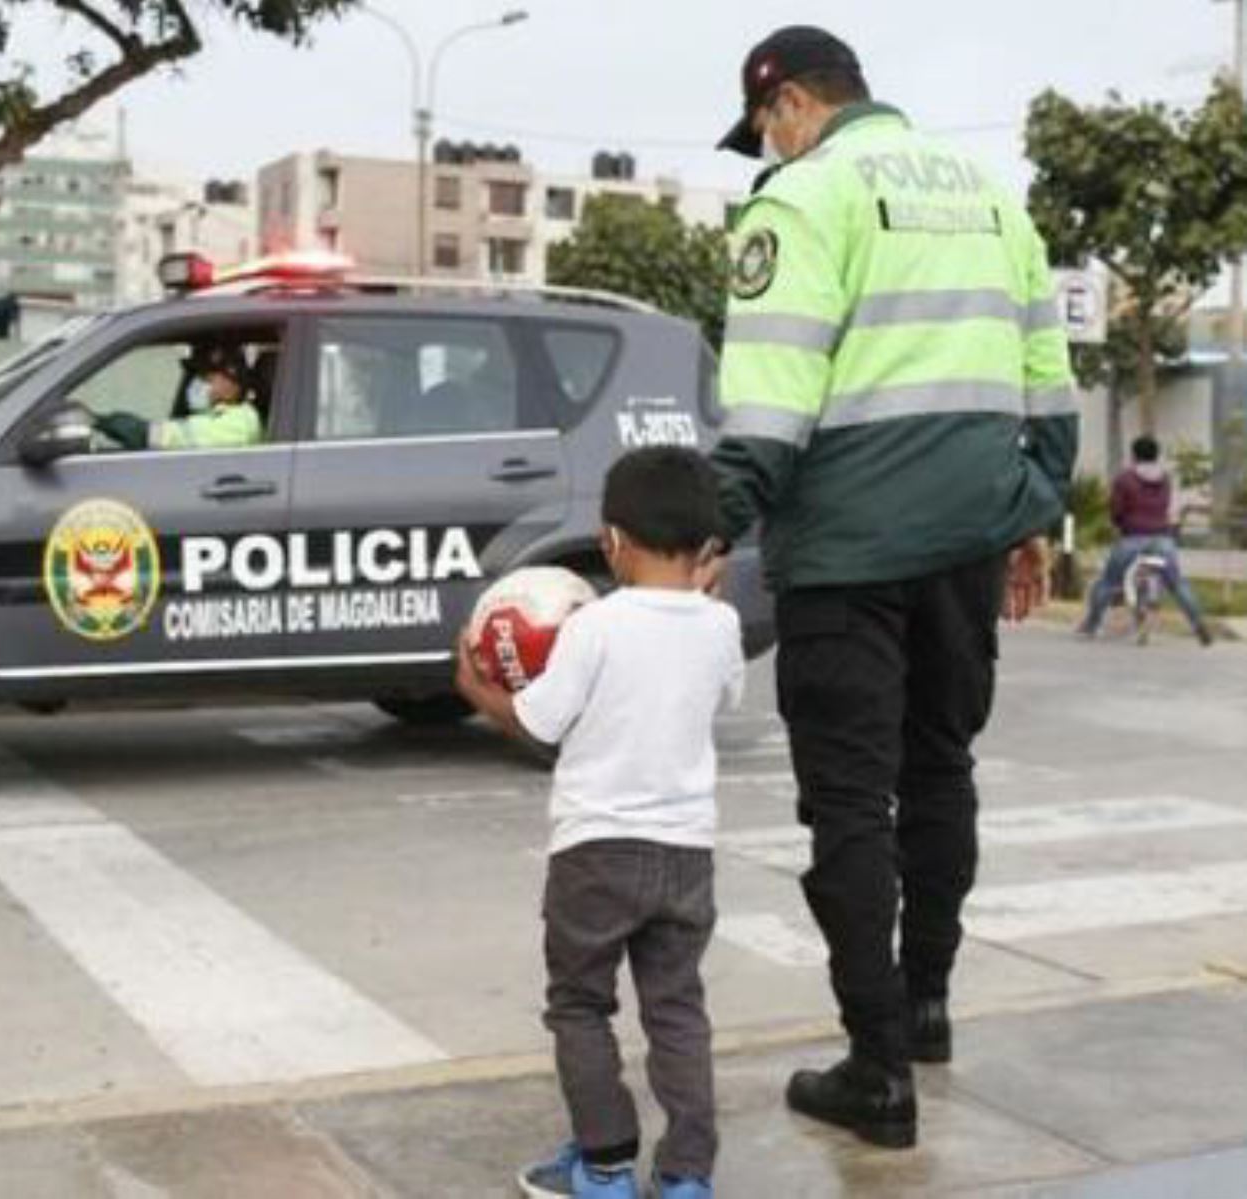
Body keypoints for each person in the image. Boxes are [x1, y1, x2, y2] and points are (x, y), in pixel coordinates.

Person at [707, 26, 1079, 1148]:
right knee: (940, 769)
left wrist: (704, 527)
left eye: (762, 128)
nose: (764, 147)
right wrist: (1030, 513)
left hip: (850, 553)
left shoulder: (801, 198)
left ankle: (876, 1070)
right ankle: (925, 1007)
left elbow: (771, 402)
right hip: (969, 538)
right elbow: (1048, 378)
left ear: (787, 107)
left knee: (851, 803)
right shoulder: (989, 193)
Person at [455, 447, 744, 1199]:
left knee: (581, 1003)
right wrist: (709, 601)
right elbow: (722, 696)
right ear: (706, 544)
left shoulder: (593, 626)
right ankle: (685, 1176)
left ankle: (606, 1162)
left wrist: (474, 687)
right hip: (686, 855)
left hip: (596, 852)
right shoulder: (720, 627)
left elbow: (537, 721)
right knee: (677, 1008)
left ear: (612, 539)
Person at [1076, 435, 1213, 645]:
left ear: (1134, 455)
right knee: (1177, 583)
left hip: (1132, 538)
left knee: (1108, 582)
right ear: (1156, 455)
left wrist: (1119, 524)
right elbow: (1165, 505)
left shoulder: (1124, 479)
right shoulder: (1165, 479)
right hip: (1162, 539)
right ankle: (1198, 623)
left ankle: (1092, 624)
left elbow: (1116, 510)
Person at [93, 343, 263, 451]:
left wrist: (98, 421)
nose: (197, 384)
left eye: (206, 378)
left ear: (232, 385)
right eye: (196, 377)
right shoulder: (213, 414)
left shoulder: (240, 422)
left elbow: (163, 436)